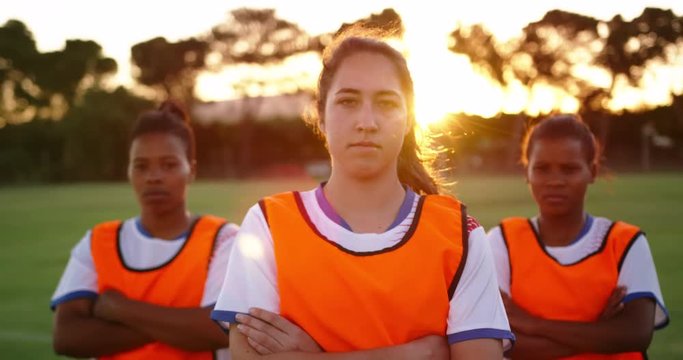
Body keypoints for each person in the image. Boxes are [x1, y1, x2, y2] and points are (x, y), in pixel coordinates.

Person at [211, 28, 513, 359]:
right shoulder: (269, 224)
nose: (366, 121)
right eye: (348, 101)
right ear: (321, 116)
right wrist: (416, 354)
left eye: (386, 103)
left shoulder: (460, 234)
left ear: (410, 118)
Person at [51, 101, 237, 359]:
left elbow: (219, 329)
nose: (153, 177)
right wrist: (182, 324)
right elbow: (67, 337)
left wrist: (120, 308)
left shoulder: (224, 239)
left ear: (191, 170)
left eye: (169, 165)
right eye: (141, 166)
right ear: (128, 171)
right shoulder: (98, 241)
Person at [486, 114, 669, 359]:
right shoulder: (502, 241)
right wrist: (599, 329)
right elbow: (495, 344)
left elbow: (635, 333)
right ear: (527, 171)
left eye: (569, 169)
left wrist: (531, 324)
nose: (555, 181)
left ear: (592, 172)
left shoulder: (626, 242)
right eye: (542, 168)